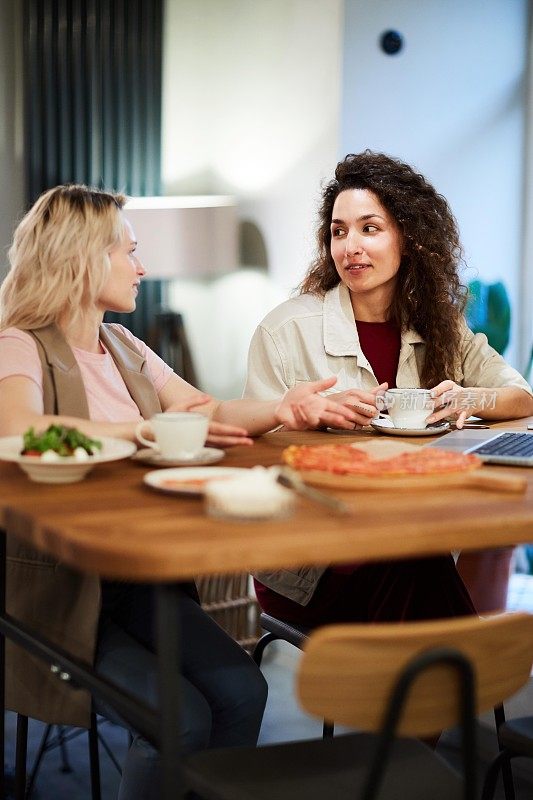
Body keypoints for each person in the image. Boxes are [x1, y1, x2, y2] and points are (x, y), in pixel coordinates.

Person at [0, 184, 361, 800]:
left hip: (139, 581)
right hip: (62, 594)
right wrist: (142, 429)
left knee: (247, 691)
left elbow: (204, 410)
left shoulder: (125, 347)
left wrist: (284, 407)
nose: (143, 268)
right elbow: (20, 430)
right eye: (131, 252)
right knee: (182, 719)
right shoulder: (21, 343)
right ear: (83, 256)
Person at [243, 150, 533, 627]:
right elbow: (252, 459)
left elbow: (520, 395)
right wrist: (309, 414)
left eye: (369, 228)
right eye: (339, 231)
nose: (350, 246)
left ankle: (395, 696)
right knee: (414, 560)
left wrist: (466, 397)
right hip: (309, 557)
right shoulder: (285, 330)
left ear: (408, 237)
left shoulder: (439, 327)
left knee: (412, 556)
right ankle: (463, 685)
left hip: (405, 537)